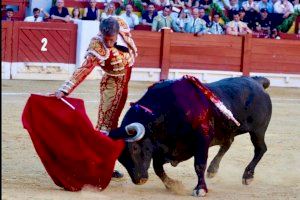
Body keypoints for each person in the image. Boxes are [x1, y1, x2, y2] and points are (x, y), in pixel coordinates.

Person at [55, 17, 137, 178]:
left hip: (125, 82)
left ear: (117, 32)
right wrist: (64, 90)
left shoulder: (121, 24)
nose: (109, 44)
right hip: (112, 85)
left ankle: (107, 162)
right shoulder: (96, 45)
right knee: (105, 126)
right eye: (106, 40)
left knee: (115, 125)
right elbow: (84, 69)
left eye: (112, 40)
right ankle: (98, 165)